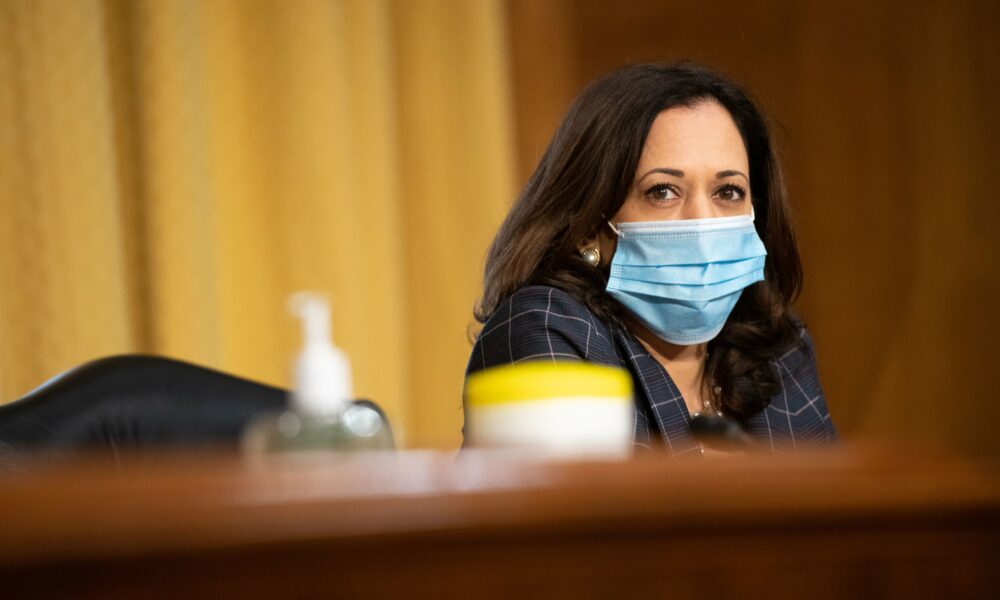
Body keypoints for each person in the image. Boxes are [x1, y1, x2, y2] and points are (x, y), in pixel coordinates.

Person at [465, 63, 837, 455]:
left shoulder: (775, 345)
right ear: (588, 224)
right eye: (663, 191)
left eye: (728, 192)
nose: (702, 222)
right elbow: (595, 513)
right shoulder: (545, 328)